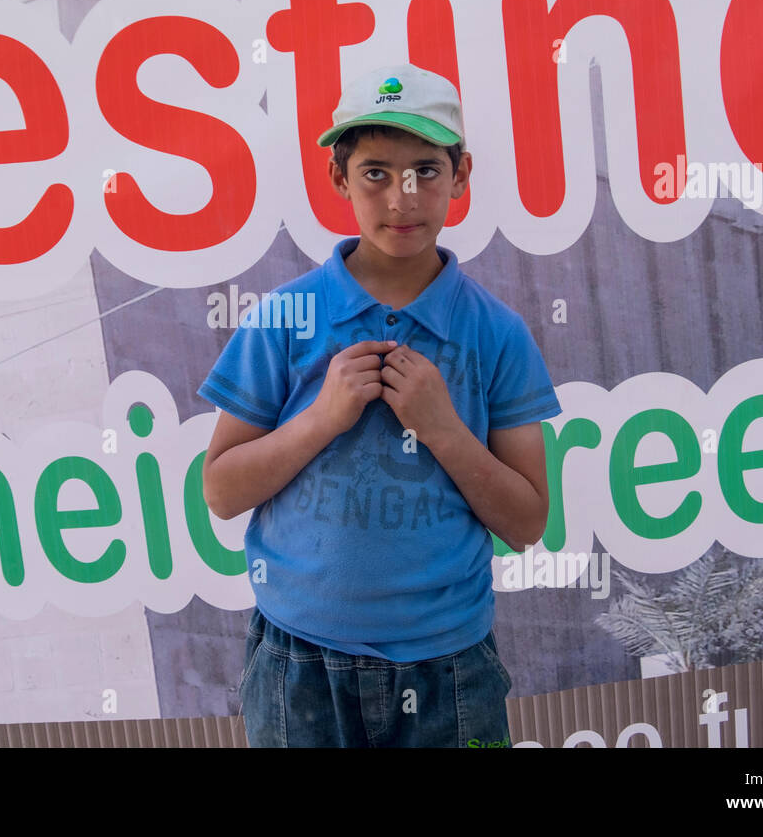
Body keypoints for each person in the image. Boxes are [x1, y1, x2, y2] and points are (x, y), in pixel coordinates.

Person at [197, 63, 563, 747]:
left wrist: (445, 429)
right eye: (376, 172)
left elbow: (528, 522)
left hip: (449, 666)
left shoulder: (496, 333)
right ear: (339, 178)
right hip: (297, 662)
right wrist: (321, 419)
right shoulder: (285, 318)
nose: (404, 196)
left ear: (462, 174)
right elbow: (220, 491)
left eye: (427, 168)